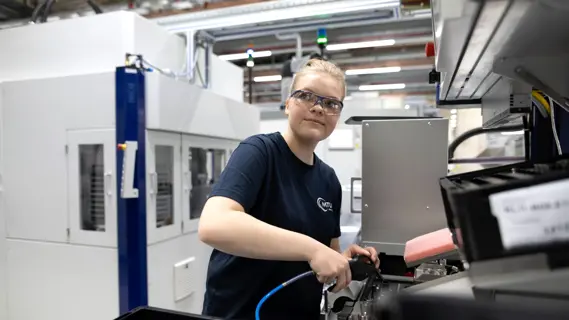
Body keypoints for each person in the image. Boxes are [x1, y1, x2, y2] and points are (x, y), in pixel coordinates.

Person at [198, 59, 380, 320]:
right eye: (306, 96)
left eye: (331, 103)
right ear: (287, 104)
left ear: (337, 115)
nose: (318, 108)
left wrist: (343, 260)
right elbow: (214, 224)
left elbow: (324, 256)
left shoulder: (328, 180)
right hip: (240, 313)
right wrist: (312, 249)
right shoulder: (259, 153)